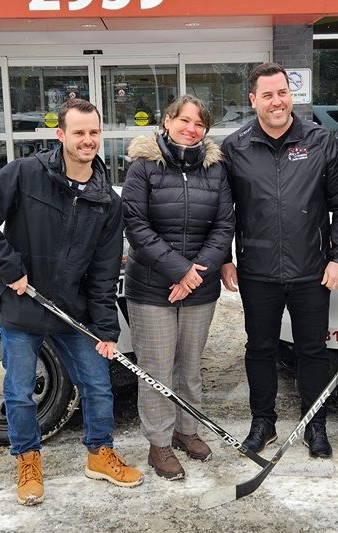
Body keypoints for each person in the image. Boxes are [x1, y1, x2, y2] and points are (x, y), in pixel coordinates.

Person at [0, 98, 144, 506]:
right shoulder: (26, 174)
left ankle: (100, 453)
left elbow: (102, 272)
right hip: (24, 306)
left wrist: (106, 330)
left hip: (73, 312)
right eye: (78, 132)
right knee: (20, 391)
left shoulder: (107, 201)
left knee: (97, 386)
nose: (87, 140)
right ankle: (28, 460)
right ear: (60, 135)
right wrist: (10, 268)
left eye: (94, 132)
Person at [221, 63, 338, 459]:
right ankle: (263, 423)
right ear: (253, 100)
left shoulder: (320, 141)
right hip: (257, 271)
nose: (277, 101)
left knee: (312, 350)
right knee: (259, 348)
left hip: (311, 268)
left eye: (282, 92)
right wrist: (227, 259)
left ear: (290, 95)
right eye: (268, 95)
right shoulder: (236, 147)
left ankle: (316, 424)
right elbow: (223, 211)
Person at [121, 95, 234, 480]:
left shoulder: (215, 170)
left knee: (189, 368)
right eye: (184, 120)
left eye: (199, 124)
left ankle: (187, 431)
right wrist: (179, 270)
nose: (191, 129)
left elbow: (224, 226)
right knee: (156, 370)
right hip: (152, 289)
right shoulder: (143, 167)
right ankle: (159, 445)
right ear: (168, 121)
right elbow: (136, 226)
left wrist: (195, 274)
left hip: (199, 290)